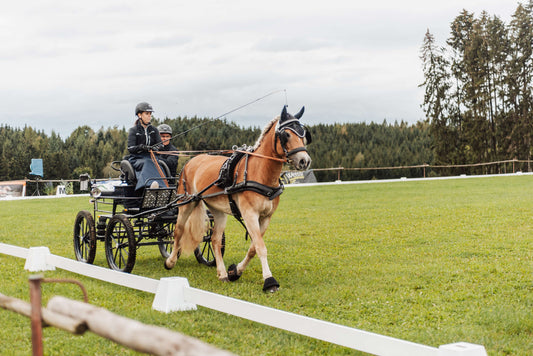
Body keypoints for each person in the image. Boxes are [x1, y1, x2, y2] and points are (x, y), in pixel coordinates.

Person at [127, 102, 164, 190]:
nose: (149, 116)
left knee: (159, 163)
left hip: (152, 157)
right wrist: (141, 147)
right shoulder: (133, 130)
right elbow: (130, 148)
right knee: (148, 162)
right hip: (137, 158)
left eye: (150, 114)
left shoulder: (154, 130)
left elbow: (161, 145)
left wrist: (156, 148)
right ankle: (148, 185)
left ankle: (163, 186)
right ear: (139, 115)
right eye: (147, 114)